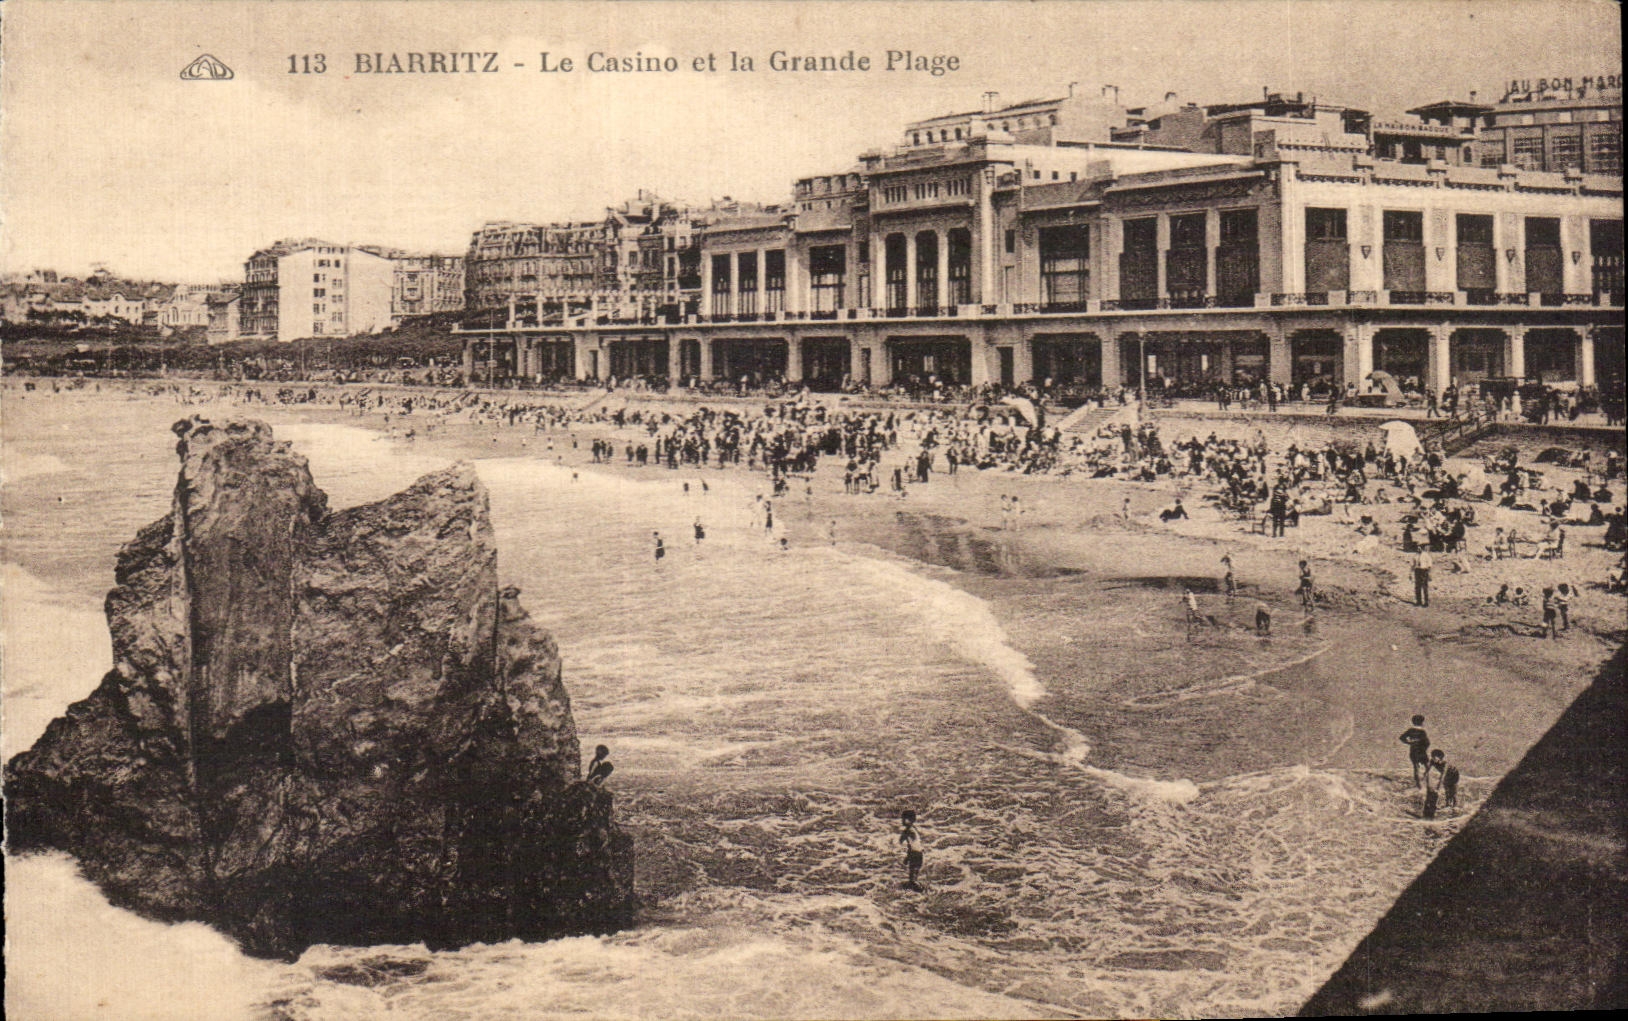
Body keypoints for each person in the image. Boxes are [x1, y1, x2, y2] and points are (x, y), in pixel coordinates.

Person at [1400, 715, 1431, 788]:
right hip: (1422, 751)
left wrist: (1409, 742)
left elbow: (1402, 738)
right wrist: (1424, 748)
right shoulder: (1422, 731)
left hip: (1413, 751)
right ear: (1421, 722)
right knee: (1427, 767)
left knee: (1416, 767)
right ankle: (1427, 783)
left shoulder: (1410, 730)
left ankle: (1418, 785)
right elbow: (1427, 743)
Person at [899, 809, 924, 891]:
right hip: (919, 854)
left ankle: (917, 889)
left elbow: (910, 846)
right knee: (914, 874)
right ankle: (915, 888)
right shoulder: (914, 829)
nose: (902, 821)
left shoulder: (908, 831)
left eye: (904, 819)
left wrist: (907, 857)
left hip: (914, 854)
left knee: (912, 874)